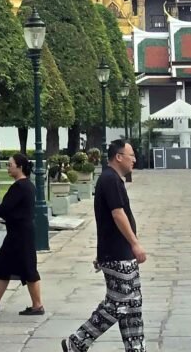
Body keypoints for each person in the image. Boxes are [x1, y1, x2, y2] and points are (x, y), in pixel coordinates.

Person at [62, 139, 146, 352]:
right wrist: (135, 243)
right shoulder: (109, 179)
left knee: (132, 303)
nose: (134, 160)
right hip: (118, 254)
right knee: (120, 303)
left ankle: (136, 348)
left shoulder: (113, 179)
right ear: (119, 157)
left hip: (119, 252)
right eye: (131, 155)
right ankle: (77, 341)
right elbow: (117, 214)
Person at [0, 152, 43, 317]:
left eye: (10, 165)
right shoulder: (26, 185)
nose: (8, 168)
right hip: (16, 233)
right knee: (3, 266)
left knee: (28, 268)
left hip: (21, 234)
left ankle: (37, 305)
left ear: (20, 167)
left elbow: (4, 208)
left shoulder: (21, 186)